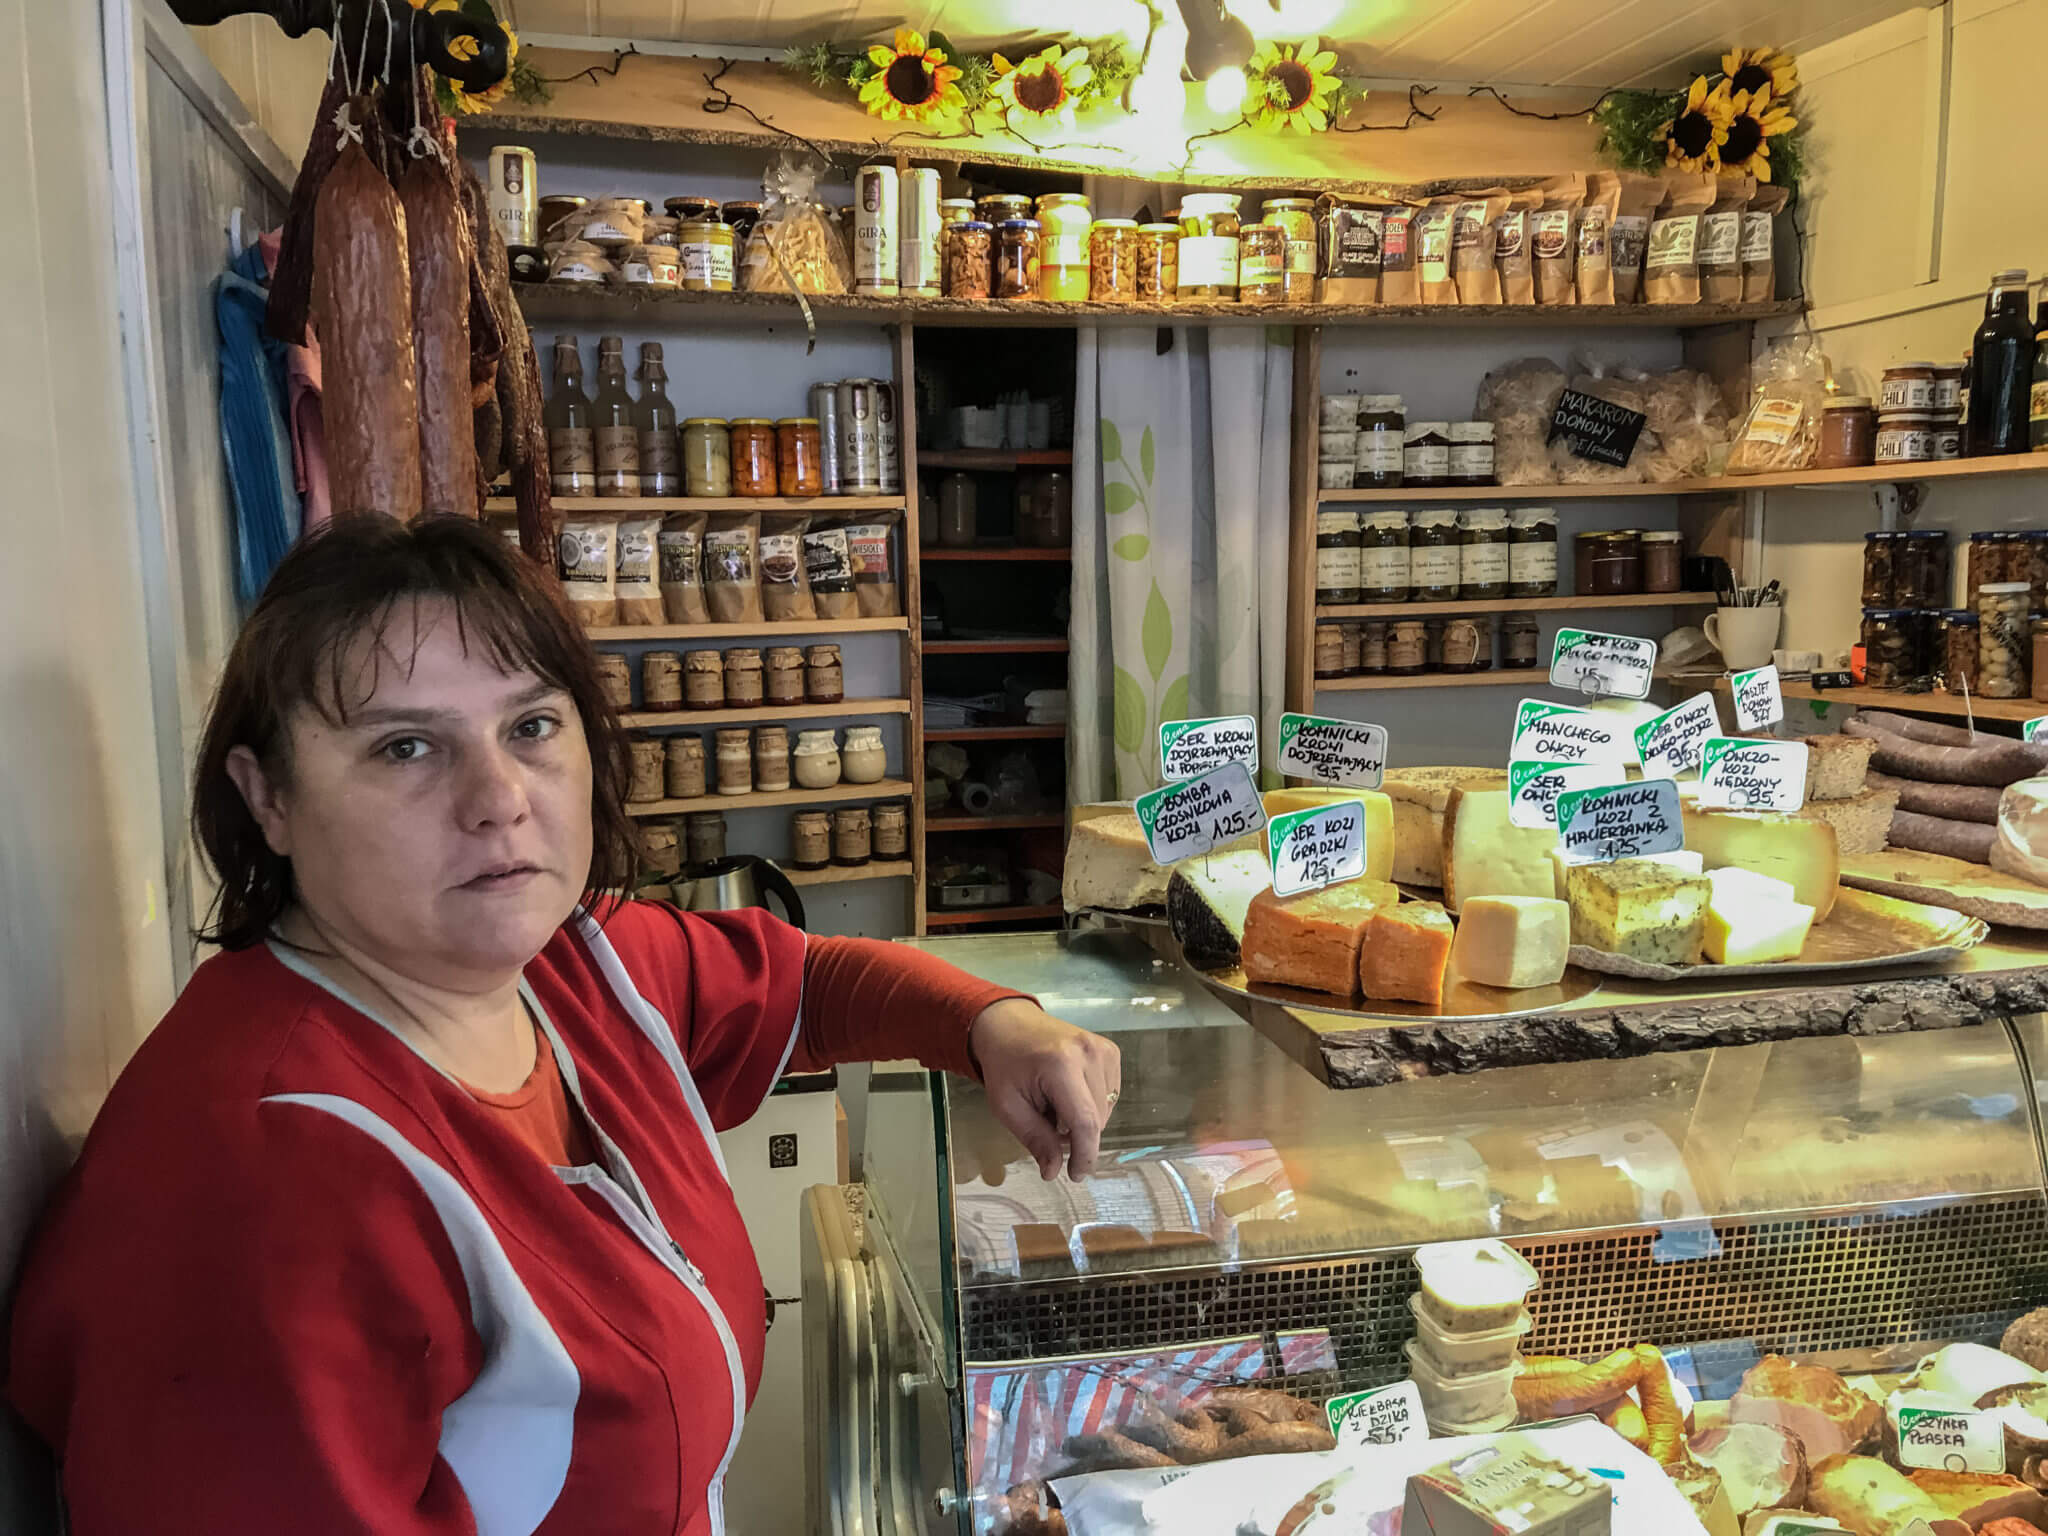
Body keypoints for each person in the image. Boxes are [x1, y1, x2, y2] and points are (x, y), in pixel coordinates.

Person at [7, 516, 1120, 1534]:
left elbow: (808, 984)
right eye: (405, 747)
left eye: (531, 725)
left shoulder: (568, 964)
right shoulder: (265, 1189)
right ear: (269, 798)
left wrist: (992, 1023)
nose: (499, 798)